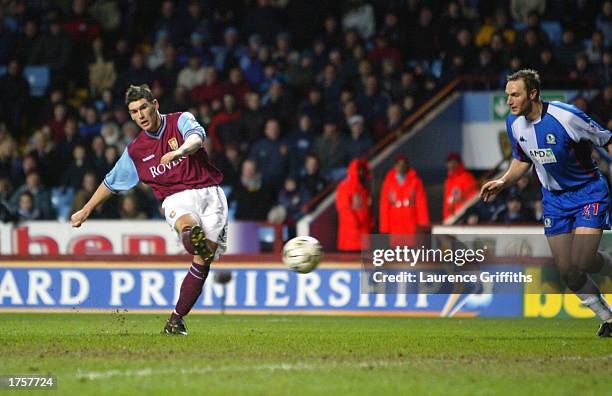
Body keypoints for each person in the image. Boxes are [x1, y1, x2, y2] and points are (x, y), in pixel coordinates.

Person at [71, 84, 227, 336]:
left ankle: (176, 320)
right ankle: (189, 234)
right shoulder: (136, 151)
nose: (140, 115)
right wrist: (86, 209)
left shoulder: (180, 120)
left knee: (204, 259)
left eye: (143, 107)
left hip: (211, 194)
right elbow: (111, 182)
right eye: (134, 112)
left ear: (155, 105)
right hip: (175, 198)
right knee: (189, 227)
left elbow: (197, 138)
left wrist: (180, 151)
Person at [481, 69, 612, 337]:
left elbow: (607, 139)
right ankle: (608, 318)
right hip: (554, 201)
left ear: (533, 94)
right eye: (507, 95)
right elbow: (522, 160)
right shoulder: (514, 124)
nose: (509, 101)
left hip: (587, 192)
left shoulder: (566, 116)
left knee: (583, 259)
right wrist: (503, 181)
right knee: (567, 270)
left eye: (515, 95)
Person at [379, 154, 429, 246]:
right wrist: (384, 228)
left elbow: (421, 204)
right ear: (395, 166)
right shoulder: (388, 183)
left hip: (411, 222)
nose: (401, 167)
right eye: (399, 165)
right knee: (396, 254)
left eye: (404, 164)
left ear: (407, 166)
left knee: (411, 253)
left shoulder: (415, 182)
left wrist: (423, 225)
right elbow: (384, 206)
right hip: (394, 223)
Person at [335, 158, 372, 251]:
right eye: (358, 169)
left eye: (362, 169)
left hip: (364, 233)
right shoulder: (345, 186)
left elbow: (368, 208)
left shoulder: (364, 189)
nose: (361, 172)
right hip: (351, 235)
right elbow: (344, 209)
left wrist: (370, 223)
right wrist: (355, 225)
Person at [443, 152, 478, 222]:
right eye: (449, 162)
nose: (450, 165)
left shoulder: (466, 177)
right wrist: (446, 219)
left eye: (453, 163)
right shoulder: (448, 181)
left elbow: (473, 198)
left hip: (462, 217)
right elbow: (447, 203)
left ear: (458, 164)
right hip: (450, 218)